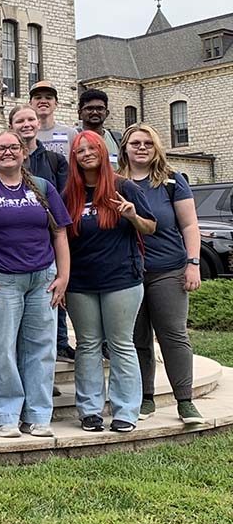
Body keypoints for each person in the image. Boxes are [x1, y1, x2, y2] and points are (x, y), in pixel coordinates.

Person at [0, 130, 72, 438]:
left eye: (13, 147)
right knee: (1, 349)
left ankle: (37, 414)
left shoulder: (44, 189)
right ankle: (5, 414)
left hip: (42, 280)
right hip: (0, 280)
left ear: (24, 153)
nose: (7, 152)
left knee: (41, 348)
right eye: (1, 148)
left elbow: (59, 233)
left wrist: (63, 276)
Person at [64, 130, 156, 433]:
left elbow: (151, 227)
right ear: (74, 158)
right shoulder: (70, 195)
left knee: (121, 344)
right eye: (80, 150)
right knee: (88, 345)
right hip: (80, 282)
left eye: (92, 148)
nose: (86, 153)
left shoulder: (123, 187)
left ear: (103, 152)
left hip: (122, 279)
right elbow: (60, 239)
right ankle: (90, 410)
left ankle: (125, 411)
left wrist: (132, 216)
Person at [118, 124, 205, 424]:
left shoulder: (171, 182)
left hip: (168, 269)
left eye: (147, 143)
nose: (141, 148)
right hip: (129, 273)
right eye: (135, 143)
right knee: (137, 338)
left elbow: (190, 225)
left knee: (173, 335)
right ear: (124, 148)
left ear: (156, 149)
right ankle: (145, 398)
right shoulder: (115, 183)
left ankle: (185, 400)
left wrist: (193, 263)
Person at [8, 105, 74, 365]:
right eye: (20, 120)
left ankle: (58, 344)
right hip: (15, 246)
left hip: (47, 240)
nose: (26, 124)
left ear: (38, 123)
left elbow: (64, 199)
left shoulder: (54, 160)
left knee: (52, 295)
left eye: (30, 119)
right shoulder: (4, 159)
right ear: (11, 125)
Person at [30, 80, 77, 158]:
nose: (43, 101)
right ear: (30, 103)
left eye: (48, 98)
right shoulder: (25, 136)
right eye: (38, 98)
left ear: (56, 103)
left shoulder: (71, 134)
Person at [78, 88, 121, 160]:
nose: (95, 112)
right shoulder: (73, 137)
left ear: (107, 113)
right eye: (89, 108)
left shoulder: (117, 139)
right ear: (80, 113)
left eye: (100, 108)